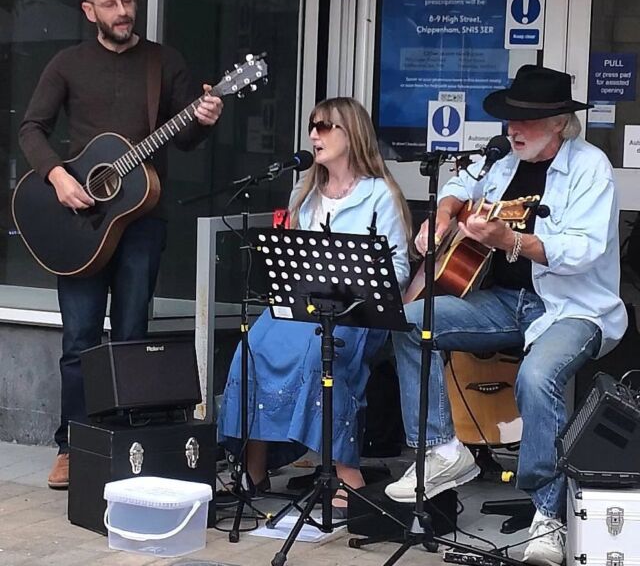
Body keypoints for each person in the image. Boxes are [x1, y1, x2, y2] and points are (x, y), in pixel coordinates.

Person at [387, 65, 627, 566]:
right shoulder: (502, 162)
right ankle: (441, 450)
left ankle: (548, 516)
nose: (512, 129)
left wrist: (512, 241)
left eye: (526, 120)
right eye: (509, 119)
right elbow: (462, 182)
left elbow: (582, 251)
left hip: (575, 310)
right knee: (409, 320)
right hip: (505, 304)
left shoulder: (591, 168)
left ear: (559, 122)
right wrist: (444, 214)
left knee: (539, 377)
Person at [18, 0, 223, 489]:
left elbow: (185, 140)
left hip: (141, 221)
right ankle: (71, 445)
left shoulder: (162, 61)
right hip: (81, 221)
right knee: (80, 339)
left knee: (132, 338)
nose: (123, 12)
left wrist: (201, 119)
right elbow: (31, 129)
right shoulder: (67, 63)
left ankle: (125, 442)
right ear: (90, 12)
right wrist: (58, 176)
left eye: (128, 1)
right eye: (110, 5)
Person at [218, 97, 411, 516]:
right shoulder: (304, 193)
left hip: (357, 313)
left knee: (319, 354)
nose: (313, 135)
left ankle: (347, 474)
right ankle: (253, 469)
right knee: (252, 345)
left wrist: (354, 280)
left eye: (324, 127)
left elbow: (398, 269)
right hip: (306, 305)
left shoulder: (381, 194)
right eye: (312, 127)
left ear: (351, 134)